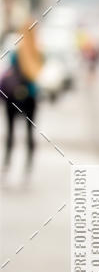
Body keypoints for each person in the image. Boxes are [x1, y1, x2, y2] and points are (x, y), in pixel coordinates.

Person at [1, 22, 43, 180]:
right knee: (29, 132)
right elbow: (38, 73)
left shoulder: (16, 51)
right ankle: (28, 165)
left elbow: (9, 69)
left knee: (11, 130)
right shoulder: (37, 52)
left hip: (12, 96)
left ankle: (7, 162)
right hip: (30, 97)